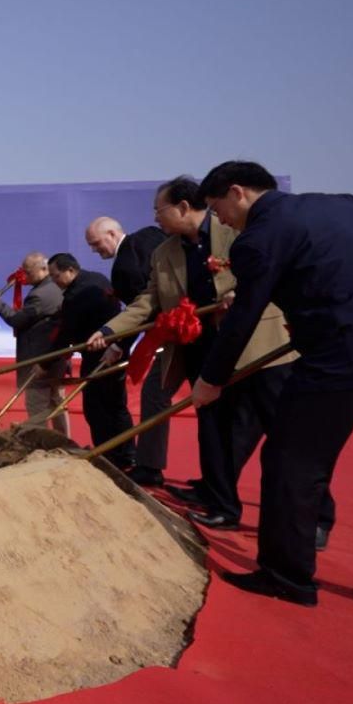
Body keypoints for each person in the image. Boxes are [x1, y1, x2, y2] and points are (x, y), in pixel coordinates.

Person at [191, 161, 353, 607]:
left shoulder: (258, 237)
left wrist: (211, 380)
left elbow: (243, 318)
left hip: (337, 362)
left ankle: (286, 576)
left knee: (291, 462)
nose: (221, 221)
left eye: (217, 209)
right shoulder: (346, 205)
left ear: (237, 192)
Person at [89, 177, 301, 527]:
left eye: (159, 210)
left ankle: (316, 514)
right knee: (213, 428)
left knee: (284, 430)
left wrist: (241, 293)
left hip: (259, 348)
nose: (154, 218)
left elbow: (272, 273)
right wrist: (111, 331)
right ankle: (222, 505)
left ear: (183, 207)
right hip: (203, 350)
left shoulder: (238, 232)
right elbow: (148, 301)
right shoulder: (164, 253)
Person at [86, 215, 170, 485]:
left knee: (154, 397)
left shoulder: (123, 267)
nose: (94, 250)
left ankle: (149, 467)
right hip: (177, 326)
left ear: (112, 234)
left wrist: (117, 344)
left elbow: (142, 311)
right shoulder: (150, 234)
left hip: (173, 332)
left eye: (96, 243)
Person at [49, 253, 135, 469]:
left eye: (56, 275)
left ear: (70, 270)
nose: (54, 281)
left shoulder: (76, 294)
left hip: (100, 353)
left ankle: (107, 454)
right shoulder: (96, 278)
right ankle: (126, 454)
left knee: (96, 407)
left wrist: (45, 364)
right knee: (116, 405)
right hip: (115, 347)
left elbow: (66, 334)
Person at [0, 252, 69, 434]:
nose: (24, 276)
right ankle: (65, 443)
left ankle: (41, 446)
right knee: (58, 405)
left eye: (28, 272)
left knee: (38, 409)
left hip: (39, 362)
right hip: (56, 360)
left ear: (43, 269)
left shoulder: (40, 295)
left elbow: (17, 320)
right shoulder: (56, 287)